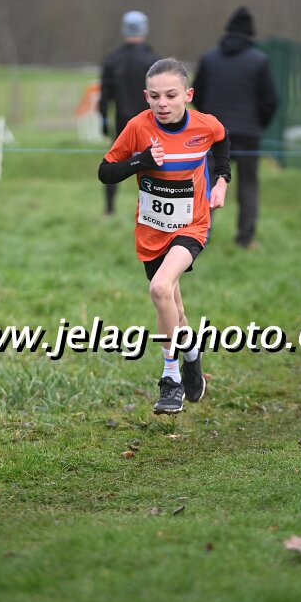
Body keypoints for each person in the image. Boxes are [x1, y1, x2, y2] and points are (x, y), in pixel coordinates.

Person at [98, 58, 231, 414]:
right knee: (175, 307)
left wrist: (221, 180)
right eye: (155, 96)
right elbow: (105, 172)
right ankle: (192, 354)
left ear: (188, 95)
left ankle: (170, 378)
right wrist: (141, 161)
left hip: (192, 225)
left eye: (171, 95)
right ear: (146, 97)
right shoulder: (137, 127)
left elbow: (221, 141)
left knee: (159, 289)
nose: (163, 103)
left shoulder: (205, 125)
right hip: (152, 230)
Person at [193, 6, 279, 249]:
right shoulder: (259, 61)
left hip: (214, 134)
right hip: (248, 134)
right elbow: (271, 101)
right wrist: (258, 124)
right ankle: (245, 238)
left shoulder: (209, 58)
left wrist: (209, 120)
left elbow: (196, 95)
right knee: (248, 185)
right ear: (250, 33)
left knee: (209, 183)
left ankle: (200, 236)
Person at [98, 11, 159, 215]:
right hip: (151, 124)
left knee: (113, 163)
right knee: (155, 164)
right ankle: (155, 212)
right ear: (145, 29)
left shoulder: (112, 59)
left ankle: (109, 210)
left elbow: (104, 96)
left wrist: (104, 122)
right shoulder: (153, 60)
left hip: (122, 123)